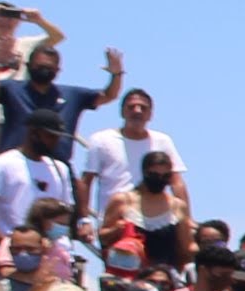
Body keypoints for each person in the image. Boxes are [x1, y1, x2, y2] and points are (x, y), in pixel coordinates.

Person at [77, 86, 187, 234]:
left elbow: (176, 182)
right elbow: (86, 182)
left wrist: (187, 219)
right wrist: (84, 220)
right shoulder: (101, 140)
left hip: (158, 220)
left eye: (143, 108)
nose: (137, 111)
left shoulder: (163, 141)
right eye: (131, 107)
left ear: (150, 114)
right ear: (122, 112)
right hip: (116, 222)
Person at [0, 37, 119, 160]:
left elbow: (109, 95)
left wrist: (116, 74)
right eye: (40, 67)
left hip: (57, 168)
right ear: (28, 66)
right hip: (16, 164)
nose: (44, 71)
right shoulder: (12, 89)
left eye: (49, 68)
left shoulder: (72, 95)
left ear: (58, 70)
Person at [0, 116, 76, 239]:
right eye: (50, 136)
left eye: (57, 137)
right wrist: (4, 243)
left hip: (49, 249)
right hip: (10, 246)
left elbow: (65, 210)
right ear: (33, 133)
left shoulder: (60, 169)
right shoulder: (2, 163)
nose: (55, 142)